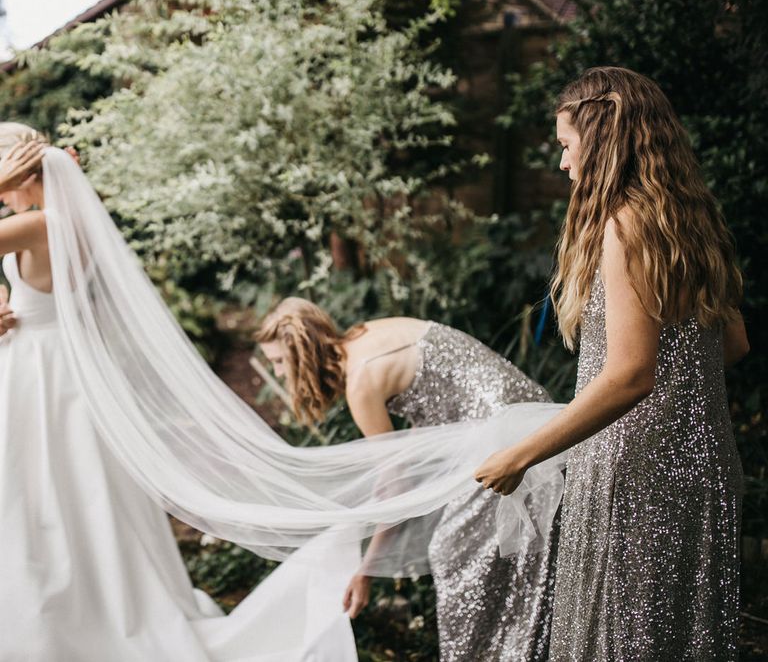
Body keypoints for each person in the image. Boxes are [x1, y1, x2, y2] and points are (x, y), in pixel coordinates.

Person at [0, 123, 358, 661]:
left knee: (48, 494)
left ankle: (62, 619)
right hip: (56, 365)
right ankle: (87, 603)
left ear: (22, 174)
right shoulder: (60, 220)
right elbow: (37, 291)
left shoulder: (40, 223)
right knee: (74, 493)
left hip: (44, 372)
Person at [475, 67, 748, 661]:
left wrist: (523, 454)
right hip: (706, 468)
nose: (564, 165)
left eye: (568, 147)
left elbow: (629, 373)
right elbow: (733, 346)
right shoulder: (692, 220)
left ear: (601, 141)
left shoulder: (624, 224)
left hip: (633, 472)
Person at [256, 300, 559, 661]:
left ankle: (480, 655)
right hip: (527, 411)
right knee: (503, 550)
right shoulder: (367, 332)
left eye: (277, 361)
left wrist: (365, 570)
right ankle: (519, 647)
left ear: (300, 353)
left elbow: (394, 486)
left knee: (451, 552)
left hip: (504, 441)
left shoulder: (360, 382)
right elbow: (436, 400)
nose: (277, 372)